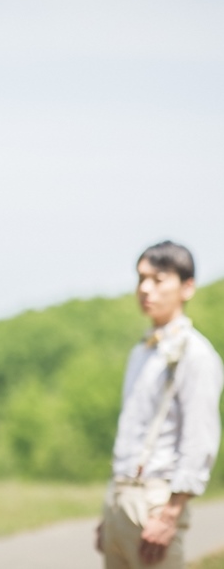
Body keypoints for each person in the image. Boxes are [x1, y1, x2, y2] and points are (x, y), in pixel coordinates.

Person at [96, 240, 223, 568]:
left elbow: (200, 438)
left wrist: (170, 514)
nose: (145, 289)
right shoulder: (140, 352)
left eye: (158, 279)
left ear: (187, 287)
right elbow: (131, 433)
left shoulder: (196, 354)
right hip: (120, 496)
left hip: (157, 500)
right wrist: (109, 512)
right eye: (141, 279)